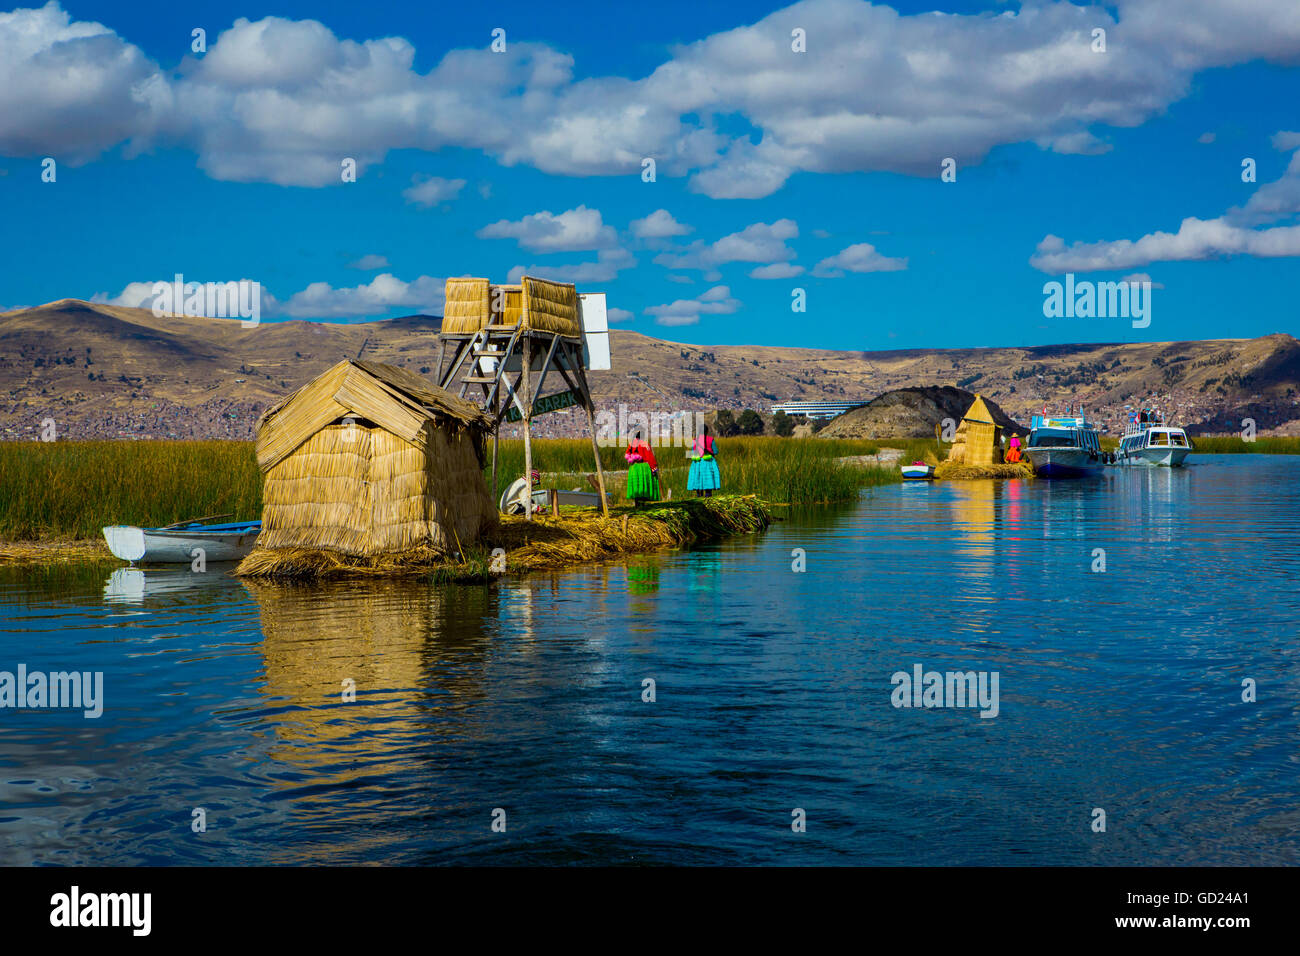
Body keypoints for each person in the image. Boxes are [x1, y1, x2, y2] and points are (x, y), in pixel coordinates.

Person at [624, 430, 659, 506]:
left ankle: (637, 504)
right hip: (643, 468)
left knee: (637, 486)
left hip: (633, 468)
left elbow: (627, 454)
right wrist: (654, 467)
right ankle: (643, 504)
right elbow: (649, 457)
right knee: (643, 486)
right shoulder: (644, 444)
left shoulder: (631, 445)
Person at [687, 425, 721, 497]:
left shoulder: (694, 441)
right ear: (707, 431)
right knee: (708, 483)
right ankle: (708, 498)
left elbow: (693, 452)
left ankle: (699, 498)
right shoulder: (710, 439)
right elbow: (715, 452)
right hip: (708, 463)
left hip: (697, 463)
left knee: (698, 481)